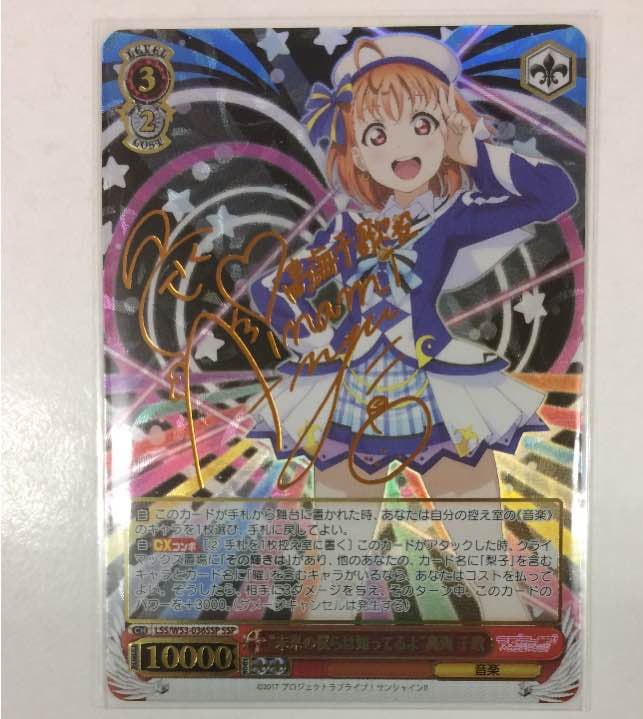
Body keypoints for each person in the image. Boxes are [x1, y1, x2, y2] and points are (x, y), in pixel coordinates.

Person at [249, 33, 576, 620]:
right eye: (377, 134)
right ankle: (321, 654)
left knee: (482, 555)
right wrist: (308, 334)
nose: (401, 147)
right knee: (339, 568)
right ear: (357, 152)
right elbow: (270, 288)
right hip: (351, 391)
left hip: (435, 388)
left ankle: (515, 644)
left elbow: (555, 194)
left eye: (421, 125)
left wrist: (475, 155)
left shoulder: (452, 217)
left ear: (446, 129)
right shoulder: (348, 230)